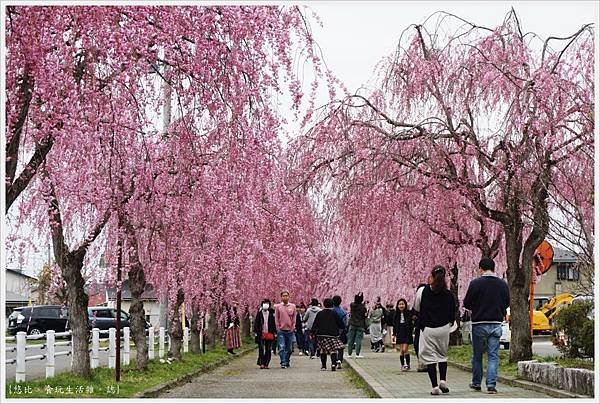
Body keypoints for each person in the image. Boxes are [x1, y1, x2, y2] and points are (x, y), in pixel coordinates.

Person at [463, 257, 510, 394]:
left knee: (477, 355)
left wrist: (477, 307)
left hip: (479, 323)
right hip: (495, 323)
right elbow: (507, 302)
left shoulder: (475, 283)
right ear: (494, 268)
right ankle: (491, 385)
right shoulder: (502, 284)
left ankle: (477, 383)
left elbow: (467, 303)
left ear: (481, 269)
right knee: (493, 355)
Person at [415, 265, 456, 395]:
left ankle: (435, 387)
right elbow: (452, 312)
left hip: (428, 328)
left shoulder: (423, 291)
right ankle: (443, 380)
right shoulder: (449, 294)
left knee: (430, 357)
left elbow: (416, 308)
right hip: (444, 328)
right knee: (442, 355)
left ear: (432, 277)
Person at [311, 298, 345, 371]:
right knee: (333, 350)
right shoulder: (334, 313)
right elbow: (341, 324)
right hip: (332, 334)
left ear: (324, 304)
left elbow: (315, 324)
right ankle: (333, 364)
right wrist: (342, 328)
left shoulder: (320, 313)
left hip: (321, 335)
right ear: (332, 304)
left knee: (323, 350)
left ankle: (324, 366)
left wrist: (312, 332)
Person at [274, 290, 297, 368]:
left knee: (289, 348)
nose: (285, 297)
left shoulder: (293, 306)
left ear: (289, 296)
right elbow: (276, 318)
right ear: (281, 297)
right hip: (281, 330)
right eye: (283, 296)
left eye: (286, 295)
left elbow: (294, 318)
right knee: (281, 347)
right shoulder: (278, 307)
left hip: (290, 330)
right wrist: (278, 327)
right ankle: (283, 362)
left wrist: (293, 327)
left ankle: (287, 360)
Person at [254, 299, 276, 369]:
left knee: (268, 349)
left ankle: (266, 363)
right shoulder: (259, 313)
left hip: (269, 333)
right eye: (264, 303)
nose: (265, 305)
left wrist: (274, 333)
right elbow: (256, 323)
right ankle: (261, 363)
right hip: (261, 334)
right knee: (261, 348)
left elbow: (273, 324)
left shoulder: (271, 314)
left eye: (267, 303)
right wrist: (256, 332)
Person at [393, 298, 414, 371]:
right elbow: (394, 325)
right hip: (400, 332)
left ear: (405, 305)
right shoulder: (396, 315)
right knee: (401, 351)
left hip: (407, 332)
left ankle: (407, 364)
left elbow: (411, 323)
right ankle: (403, 365)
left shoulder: (408, 313)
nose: (401, 306)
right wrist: (394, 334)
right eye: (400, 304)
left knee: (405, 349)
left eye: (402, 304)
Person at [413, 281, 429, 372]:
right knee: (417, 344)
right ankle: (422, 362)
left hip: (426, 326)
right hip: (419, 326)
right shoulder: (417, 302)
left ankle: (426, 363)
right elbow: (414, 310)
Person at [347, 292, 367, 358]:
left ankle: (349, 354)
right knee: (358, 340)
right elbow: (365, 316)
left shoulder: (352, 305)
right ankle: (357, 354)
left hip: (352, 324)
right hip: (360, 325)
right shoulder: (363, 308)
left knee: (350, 339)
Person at [332, 295, 348, 369]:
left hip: (332, 331)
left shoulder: (331, 311)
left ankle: (334, 361)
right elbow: (346, 323)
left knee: (333, 347)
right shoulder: (343, 312)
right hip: (341, 331)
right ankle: (340, 360)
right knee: (341, 346)